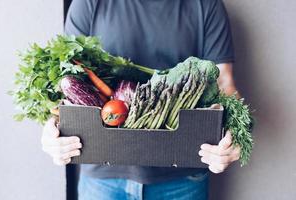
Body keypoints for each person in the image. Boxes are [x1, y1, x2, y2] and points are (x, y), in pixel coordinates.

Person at [41, 0, 241, 199]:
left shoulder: (206, 5)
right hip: (103, 177)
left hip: (183, 177)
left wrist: (236, 133)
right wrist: (53, 127)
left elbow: (223, 81)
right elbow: (68, 80)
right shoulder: (88, 3)